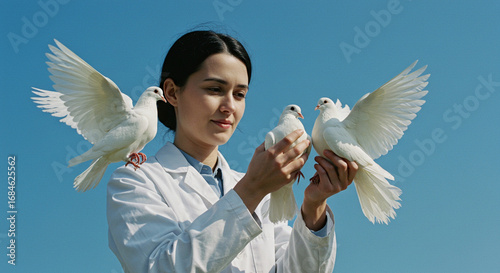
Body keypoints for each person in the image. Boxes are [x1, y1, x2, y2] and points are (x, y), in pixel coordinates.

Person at [107, 30, 358, 273]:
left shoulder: (256, 188)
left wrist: (314, 206)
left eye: (239, 94)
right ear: (172, 92)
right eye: (215, 89)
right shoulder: (134, 182)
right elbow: (161, 268)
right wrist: (251, 190)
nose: (229, 106)